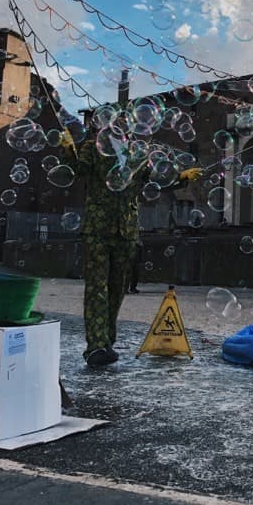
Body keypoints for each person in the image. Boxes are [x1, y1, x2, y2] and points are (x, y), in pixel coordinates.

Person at [62, 124, 201, 367]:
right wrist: (67, 148)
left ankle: (107, 343)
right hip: (98, 227)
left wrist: (181, 177)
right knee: (97, 287)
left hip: (126, 229)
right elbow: (78, 169)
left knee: (117, 288)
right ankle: (95, 347)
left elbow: (158, 180)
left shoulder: (137, 154)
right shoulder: (92, 147)